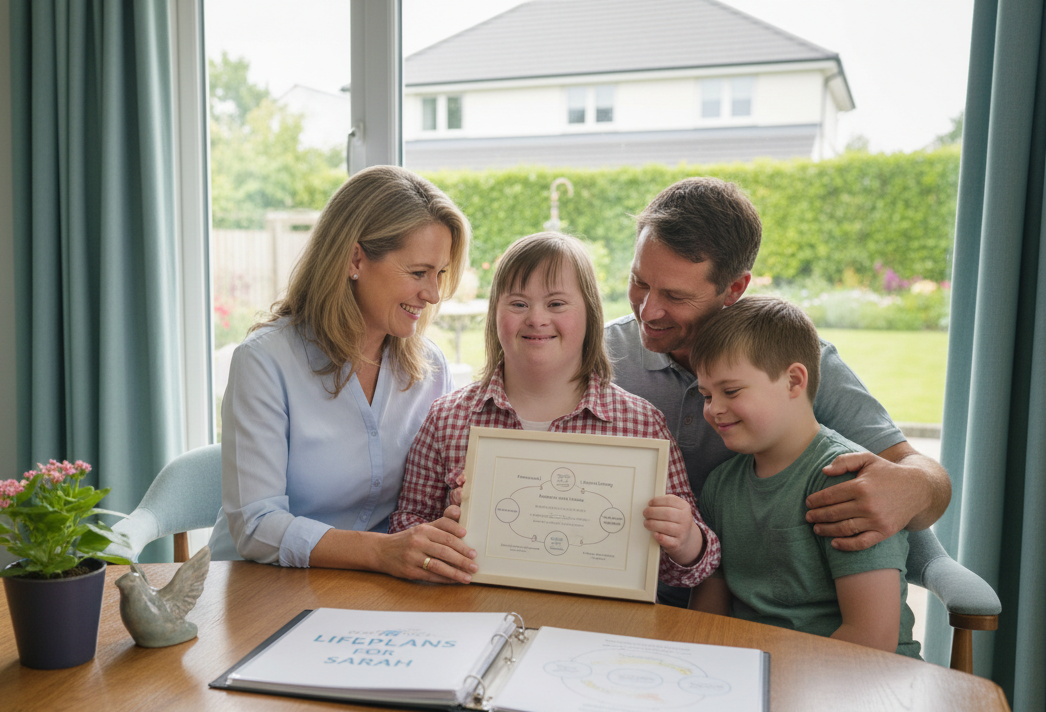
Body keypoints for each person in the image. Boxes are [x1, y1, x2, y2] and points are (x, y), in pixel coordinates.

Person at [605, 177, 951, 606]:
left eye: (675, 295)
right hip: (617, 594)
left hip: (745, 613)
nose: (648, 310)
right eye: (639, 282)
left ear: (734, 288)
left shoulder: (789, 363)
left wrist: (912, 487)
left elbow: (925, 478)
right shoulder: (600, 354)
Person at [195, 164, 477, 583]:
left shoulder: (431, 371)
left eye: (440, 274)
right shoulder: (265, 362)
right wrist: (383, 552)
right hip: (258, 588)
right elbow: (255, 525)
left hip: (372, 592)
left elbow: (426, 503)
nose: (433, 294)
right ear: (355, 259)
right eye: (418, 273)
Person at [389, 232, 719, 587]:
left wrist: (686, 540)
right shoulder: (448, 418)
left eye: (557, 304)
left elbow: (686, 570)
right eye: (517, 304)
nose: (536, 318)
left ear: (590, 314)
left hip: (598, 626)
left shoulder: (640, 424)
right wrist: (444, 536)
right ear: (494, 314)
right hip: (474, 615)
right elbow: (406, 525)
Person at [688, 295, 920, 657]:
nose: (714, 409)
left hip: (858, 679)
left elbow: (873, 636)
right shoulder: (721, 485)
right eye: (705, 395)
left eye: (730, 391)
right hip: (750, 673)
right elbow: (706, 617)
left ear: (794, 381)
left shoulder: (846, 480)